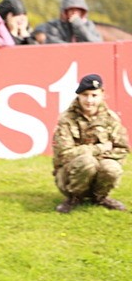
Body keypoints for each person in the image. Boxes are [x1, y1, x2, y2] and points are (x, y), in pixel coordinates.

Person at [52, 73, 128, 213]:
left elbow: (122, 148)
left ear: (102, 95)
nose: (89, 100)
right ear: (79, 95)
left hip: (99, 170)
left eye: (94, 95)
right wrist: (98, 149)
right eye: (85, 95)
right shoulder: (66, 119)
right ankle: (74, 198)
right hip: (69, 175)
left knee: (111, 167)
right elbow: (64, 154)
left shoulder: (110, 118)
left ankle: (100, 197)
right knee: (87, 162)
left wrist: (102, 161)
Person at [35, 0, 102, 44]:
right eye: (71, 10)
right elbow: (56, 44)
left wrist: (79, 25)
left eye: (77, 10)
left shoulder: (88, 25)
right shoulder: (56, 26)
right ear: (65, 12)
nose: (74, 13)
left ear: (82, 12)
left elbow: (96, 43)